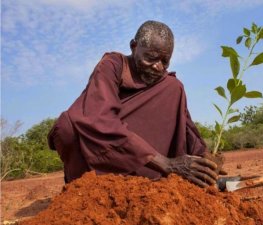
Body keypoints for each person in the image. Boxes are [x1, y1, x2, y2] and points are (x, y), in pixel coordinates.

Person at [48, 20, 221, 188]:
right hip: (97, 160)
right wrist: (167, 164)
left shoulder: (168, 86)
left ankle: (146, 179)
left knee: (174, 86)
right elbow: (99, 118)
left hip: (143, 168)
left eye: (165, 61)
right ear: (133, 46)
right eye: (151, 58)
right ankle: (83, 186)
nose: (158, 67)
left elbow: (185, 126)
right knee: (67, 127)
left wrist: (205, 159)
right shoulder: (112, 66)